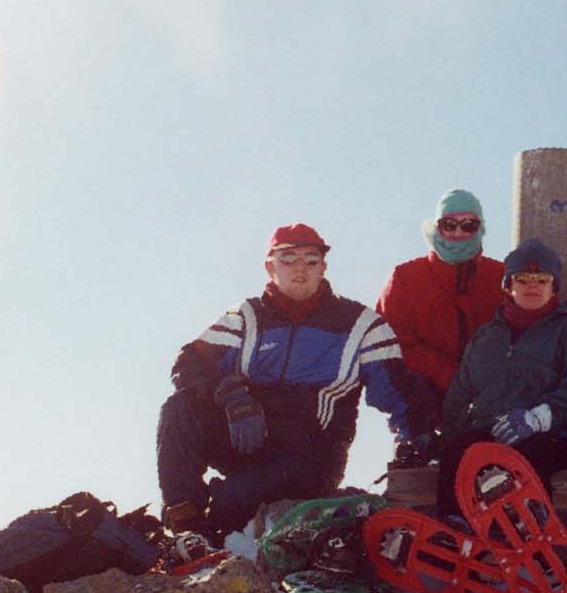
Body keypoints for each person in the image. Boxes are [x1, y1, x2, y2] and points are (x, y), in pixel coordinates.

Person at [157, 224, 435, 544]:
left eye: (311, 259)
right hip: (249, 438)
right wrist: (232, 396)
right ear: (270, 266)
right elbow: (188, 364)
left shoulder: (361, 325)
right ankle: (185, 524)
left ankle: (222, 527)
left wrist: (415, 440)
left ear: (323, 267)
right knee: (179, 408)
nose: (300, 269)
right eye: (288, 259)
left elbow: (398, 392)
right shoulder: (246, 317)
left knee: (229, 506)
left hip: (310, 455)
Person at [435, 238, 567, 517]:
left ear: (554, 286)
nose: (533, 286)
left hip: (554, 434)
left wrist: (539, 417)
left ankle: (533, 538)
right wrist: (448, 438)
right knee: (459, 453)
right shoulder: (487, 336)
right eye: (523, 279)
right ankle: (456, 533)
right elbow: (460, 395)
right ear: (509, 287)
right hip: (494, 429)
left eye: (542, 279)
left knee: (526, 457)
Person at [376, 189, 505, 467]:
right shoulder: (407, 277)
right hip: (428, 387)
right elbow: (391, 344)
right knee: (404, 382)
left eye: (468, 225)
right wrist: (450, 375)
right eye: (449, 224)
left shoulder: (500, 277)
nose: (458, 232)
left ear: (481, 229)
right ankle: (416, 448)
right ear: (437, 227)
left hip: (483, 391)